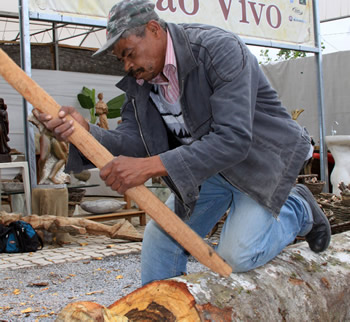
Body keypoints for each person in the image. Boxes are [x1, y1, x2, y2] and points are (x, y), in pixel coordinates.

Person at [36, 0, 331, 285]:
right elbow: (134, 142)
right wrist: (84, 132)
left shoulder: (217, 49)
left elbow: (234, 139)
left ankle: (298, 207)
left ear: (153, 29)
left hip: (259, 161)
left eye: (129, 53)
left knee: (236, 255)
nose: (127, 65)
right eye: (121, 59)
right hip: (206, 168)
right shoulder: (142, 81)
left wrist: (150, 167)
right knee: (160, 240)